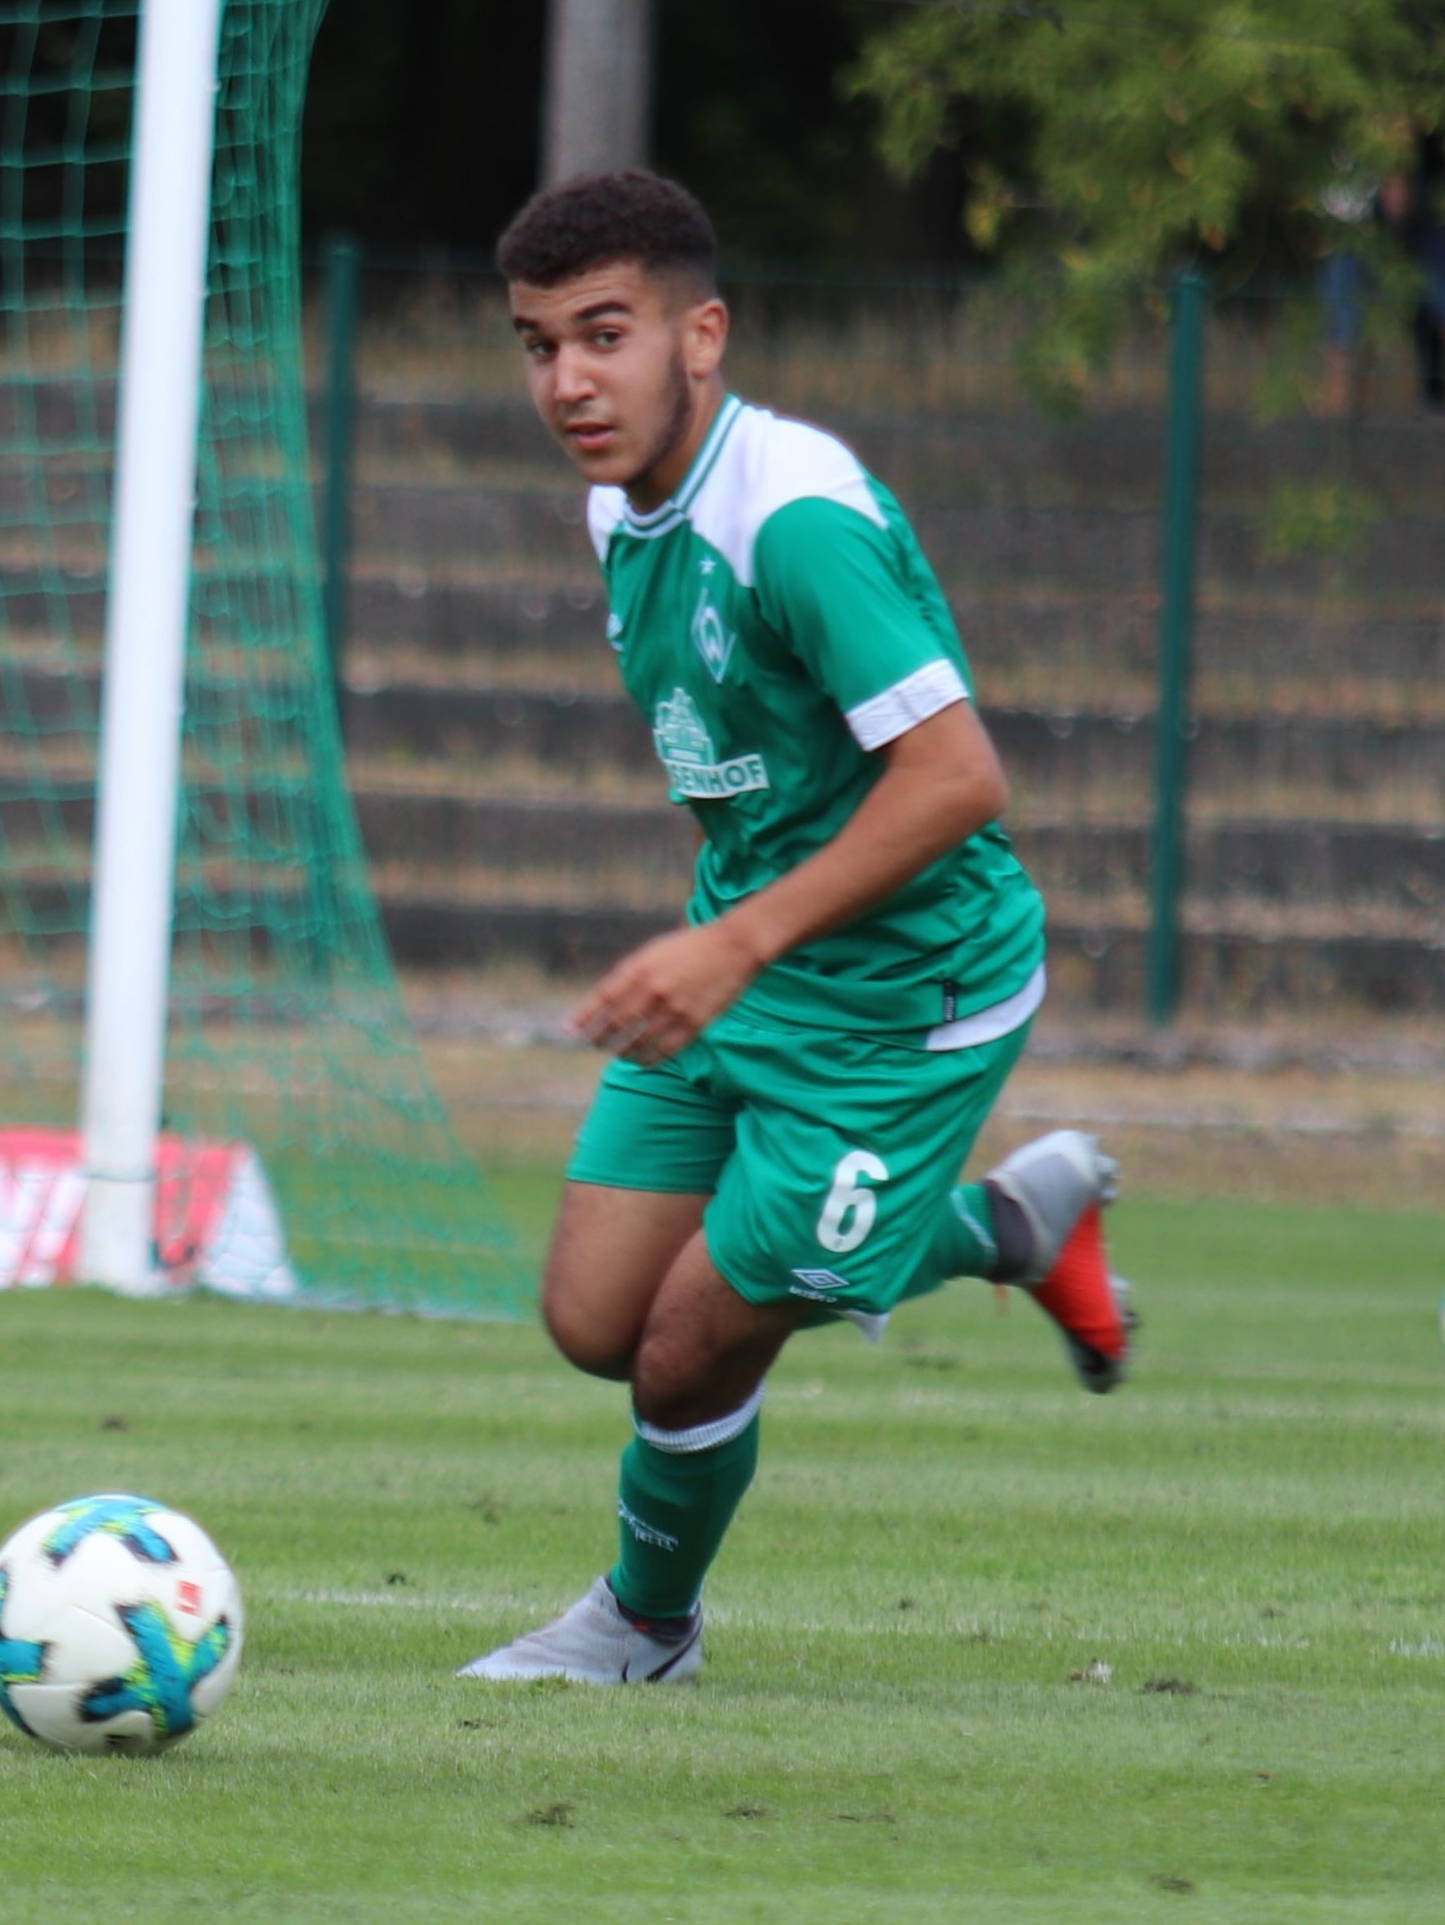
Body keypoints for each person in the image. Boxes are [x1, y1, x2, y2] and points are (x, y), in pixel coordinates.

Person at [456, 172, 1136, 1685]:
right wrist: (733, 940)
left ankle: (645, 1624)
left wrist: (732, 943)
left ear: (704, 338)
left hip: (907, 997)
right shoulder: (614, 512)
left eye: (606, 335)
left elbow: (958, 779)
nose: (569, 379)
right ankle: (1010, 1228)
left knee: (688, 1341)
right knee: (591, 1316)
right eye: (537, 342)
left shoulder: (797, 515)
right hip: (754, 961)